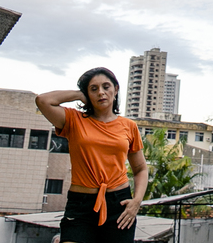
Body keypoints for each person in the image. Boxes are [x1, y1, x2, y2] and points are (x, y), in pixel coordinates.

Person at [37, 68, 149, 243]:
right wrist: (78, 95)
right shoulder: (74, 120)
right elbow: (43, 101)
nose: (101, 93)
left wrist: (137, 201)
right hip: (81, 204)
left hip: (119, 204)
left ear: (116, 89)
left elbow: (140, 168)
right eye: (94, 89)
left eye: (106, 86)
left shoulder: (129, 126)